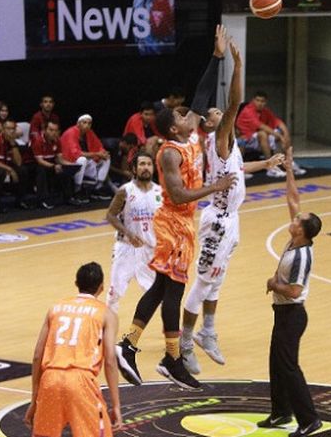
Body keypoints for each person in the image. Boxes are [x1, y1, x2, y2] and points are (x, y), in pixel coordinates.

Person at [115, 24, 237, 390]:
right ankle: (170, 358)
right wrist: (214, 186)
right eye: (185, 115)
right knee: (173, 291)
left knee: (162, 289)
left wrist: (217, 57)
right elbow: (180, 195)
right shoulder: (169, 152)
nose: (192, 115)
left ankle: (130, 345)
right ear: (175, 126)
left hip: (182, 224)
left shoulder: (191, 136)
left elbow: (201, 96)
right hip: (171, 222)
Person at [181, 42, 285, 375]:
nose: (217, 113)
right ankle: (183, 345)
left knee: (217, 280)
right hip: (218, 220)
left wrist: (266, 162)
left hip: (232, 220)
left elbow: (238, 171)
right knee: (202, 282)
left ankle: (207, 332)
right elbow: (234, 103)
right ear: (212, 124)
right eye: (214, 114)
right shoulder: (218, 139)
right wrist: (237, 67)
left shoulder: (232, 148)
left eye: (217, 112)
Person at [257, 146, 322, 437]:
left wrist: (274, 285)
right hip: (282, 313)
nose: (292, 219)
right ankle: (281, 413)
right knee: (276, 362)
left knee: (289, 366)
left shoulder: (301, 256)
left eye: (297, 221)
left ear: (302, 231)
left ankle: (309, 419)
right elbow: (293, 198)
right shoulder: (296, 239)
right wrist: (290, 170)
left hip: (292, 313)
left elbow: (295, 291)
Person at [24, 262, 122, 437]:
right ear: (101, 287)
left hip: (50, 380)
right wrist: (116, 405)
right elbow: (110, 361)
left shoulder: (55, 308)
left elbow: (37, 357)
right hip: (81, 381)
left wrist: (35, 400)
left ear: (76, 284)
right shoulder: (107, 314)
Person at [105, 152, 162, 313]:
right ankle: (106, 331)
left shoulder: (160, 192)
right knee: (114, 293)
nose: (146, 168)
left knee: (159, 294)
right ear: (134, 169)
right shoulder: (125, 190)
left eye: (149, 164)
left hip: (150, 249)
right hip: (126, 248)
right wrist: (128, 233)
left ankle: (171, 330)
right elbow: (110, 215)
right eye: (142, 164)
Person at [235, 92, 306, 177]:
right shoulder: (248, 110)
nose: (260, 103)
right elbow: (261, 126)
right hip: (245, 138)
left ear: (266, 102)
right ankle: (270, 166)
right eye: (258, 100)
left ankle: (289, 162)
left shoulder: (265, 111)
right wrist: (280, 136)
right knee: (263, 134)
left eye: (262, 101)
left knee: (280, 132)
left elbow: (277, 122)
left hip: (255, 139)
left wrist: (286, 134)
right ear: (253, 100)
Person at [61, 114, 112, 201]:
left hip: (87, 162)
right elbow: (76, 153)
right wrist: (97, 154)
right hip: (70, 162)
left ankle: (97, 188)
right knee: (82, 159)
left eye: (89, 123)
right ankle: (77, 190)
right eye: (84, 123)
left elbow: (99, 146)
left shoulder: (89, 132)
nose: (87, 125)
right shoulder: (71, 132)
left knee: (106, 158)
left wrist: (103, 153)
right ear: (78, 124)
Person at [31, 120, 77, 209]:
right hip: (36, 165)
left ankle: (68, 197)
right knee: (41, 170)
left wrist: (70, 165)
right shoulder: (38, 141)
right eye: (51, 130)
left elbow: (59, 158)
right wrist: (53, 166)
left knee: (66, 169)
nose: (53, 133)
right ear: (45, 130)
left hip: (51, 164)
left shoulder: (57, 141)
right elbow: (39, 161)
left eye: (56, 130)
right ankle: (43, 200)